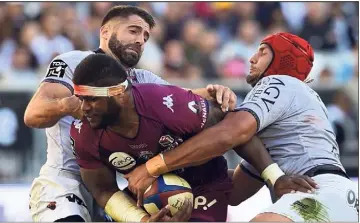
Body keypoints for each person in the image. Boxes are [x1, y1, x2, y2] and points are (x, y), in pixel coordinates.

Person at [24, 5, 236, 222]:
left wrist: (215, 92)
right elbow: (33, 114)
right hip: (67, 180)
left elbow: (182, 97)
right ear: (105, 32)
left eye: (145, 36)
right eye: (133, 31)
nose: (140, 40)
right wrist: (76, 103)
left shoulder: (141, 79)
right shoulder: (74, 62)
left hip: (110, 186)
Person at [125, 32, 359, 222]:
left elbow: (230, 133)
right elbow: (235, 191)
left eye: (263, 52)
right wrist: (176, 185)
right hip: (337, 196)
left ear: (282, 61)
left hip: (318, 192)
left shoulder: (277, 81)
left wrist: (153, 167)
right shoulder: (288, 116)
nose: (252, 58)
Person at [70, 53, 317, 222]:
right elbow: (102, 190)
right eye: (81, 99)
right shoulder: (83, 133)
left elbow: (231, 127)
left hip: (204, 184)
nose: (84, 108)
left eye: (92, 99)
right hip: (144, 198)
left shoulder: (166, 104)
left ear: (119, 95)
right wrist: (143, 220)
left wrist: (275, 177)